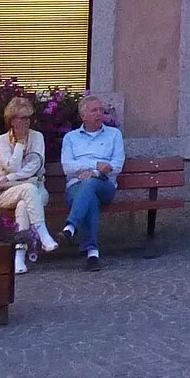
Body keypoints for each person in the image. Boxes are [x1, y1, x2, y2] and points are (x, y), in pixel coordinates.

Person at [0, 96, 58, 274]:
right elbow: (11, 164)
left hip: (38, 189)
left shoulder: (38, 137)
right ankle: (43, 233)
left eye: (28, 118)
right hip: (6, 194)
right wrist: (20, 143)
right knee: (28, 189)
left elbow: (35, 166)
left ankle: (19, 257)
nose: (26, 122)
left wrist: (8, 178)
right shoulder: (1, 141)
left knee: (24, 205)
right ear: (12, 120)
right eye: (22, 118)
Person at [58, 95, 124, 270]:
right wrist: (95, 165)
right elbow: (67, 168)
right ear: (83, 116)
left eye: (101, 110)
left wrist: (93, 173)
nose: (99, 114)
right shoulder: (71, 138)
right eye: (94, 110)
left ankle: (71, 226)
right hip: (75, 188)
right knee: (90, 198)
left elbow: (116, 166)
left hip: (105, 186)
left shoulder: (114, 135)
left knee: (90, 185)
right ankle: (92, 254)